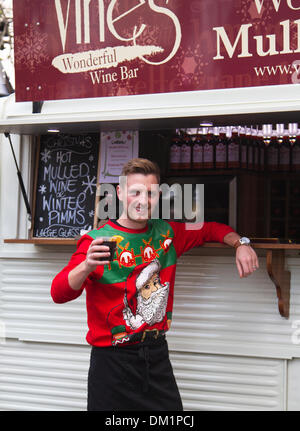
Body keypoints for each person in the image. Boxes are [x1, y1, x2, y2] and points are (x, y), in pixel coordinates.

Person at [51, 157, 259, 411]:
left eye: (149, 193)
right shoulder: (97, 241)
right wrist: (85, 267)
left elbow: (212, 229)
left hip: (156, 354)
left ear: (158, 195)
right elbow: (58, 293)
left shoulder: (168, 234)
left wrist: (241, 244)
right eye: (135, 192)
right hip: (111, 361)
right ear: (120, 193)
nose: (142, 200)